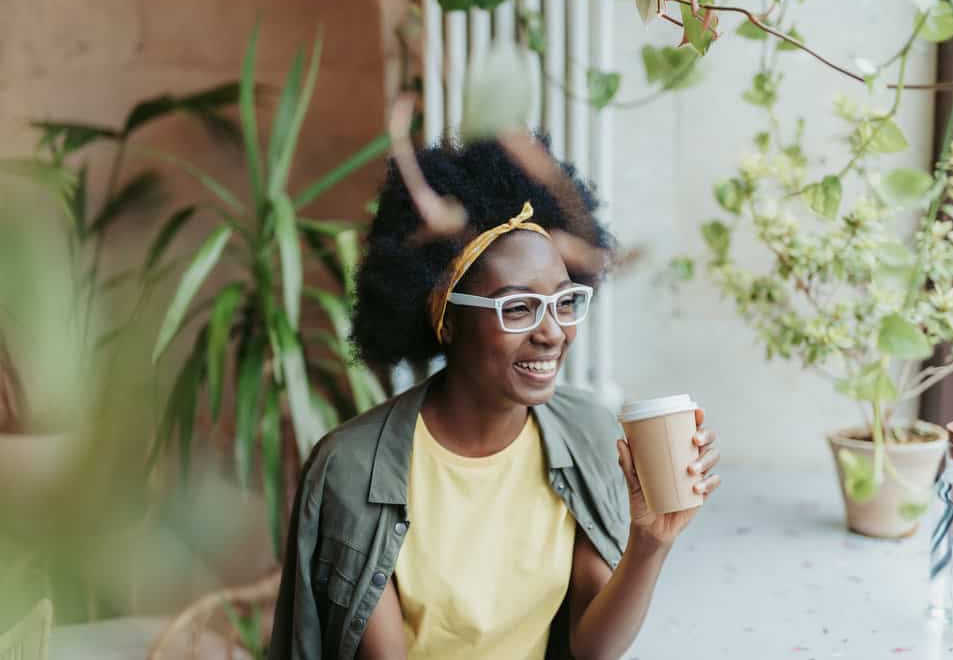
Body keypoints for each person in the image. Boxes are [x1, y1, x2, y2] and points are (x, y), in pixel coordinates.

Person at [268, 138, 721, 660]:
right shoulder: (353, 468)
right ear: (449, 318)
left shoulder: (588, 434)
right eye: (518, 308)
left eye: (564, 301)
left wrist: (651, 542)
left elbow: (591, 648)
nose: (553, 332)